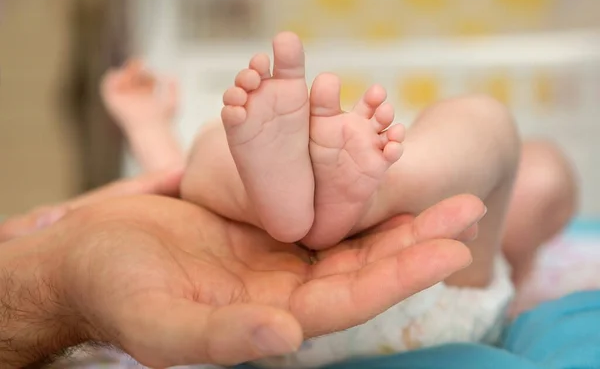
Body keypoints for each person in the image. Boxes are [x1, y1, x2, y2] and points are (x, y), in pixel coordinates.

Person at [101, 32, 578, 367]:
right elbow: (525, 186)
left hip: (264, 317)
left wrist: (147, 125)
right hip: (430, 316)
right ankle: (378, 193)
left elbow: (172, 179)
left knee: (208, 154)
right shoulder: (504, 263)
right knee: (485, 120)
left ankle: (269, 198)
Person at [0, 171, 484, 369]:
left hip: (258, 285)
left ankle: (333, 194)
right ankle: (356, 193)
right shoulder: (478, 305)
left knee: (205, 168)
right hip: (376, 288)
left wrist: (65, 249)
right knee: (493, 135)